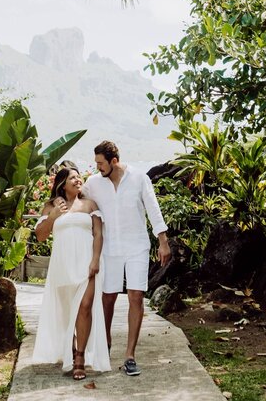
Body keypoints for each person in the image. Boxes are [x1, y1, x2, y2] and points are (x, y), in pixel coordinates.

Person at [82, 140, 172, 377]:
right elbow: (77, 200)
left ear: (114, 161)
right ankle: (106, 343)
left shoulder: (139, 178)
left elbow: (153, 209)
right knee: (108, 297)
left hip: (137, 247)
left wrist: (163, 241)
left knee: (136, 296)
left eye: (100, 163)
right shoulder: (93, 183)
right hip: (109, 249)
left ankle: (130, 355)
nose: (97, 168)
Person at [32, 166, 109, 380]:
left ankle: (80, 359)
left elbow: (98, 234)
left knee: (85, 307)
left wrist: (95, 260)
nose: (78, 180)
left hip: (87, 263)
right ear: (62, 183)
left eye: (79, 177)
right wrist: (54, 215)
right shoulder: (51, 206)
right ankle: (72, 349)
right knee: (67, 313)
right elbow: (40, 235)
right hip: (62, 265)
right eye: (73, 177)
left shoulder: (89, 205)